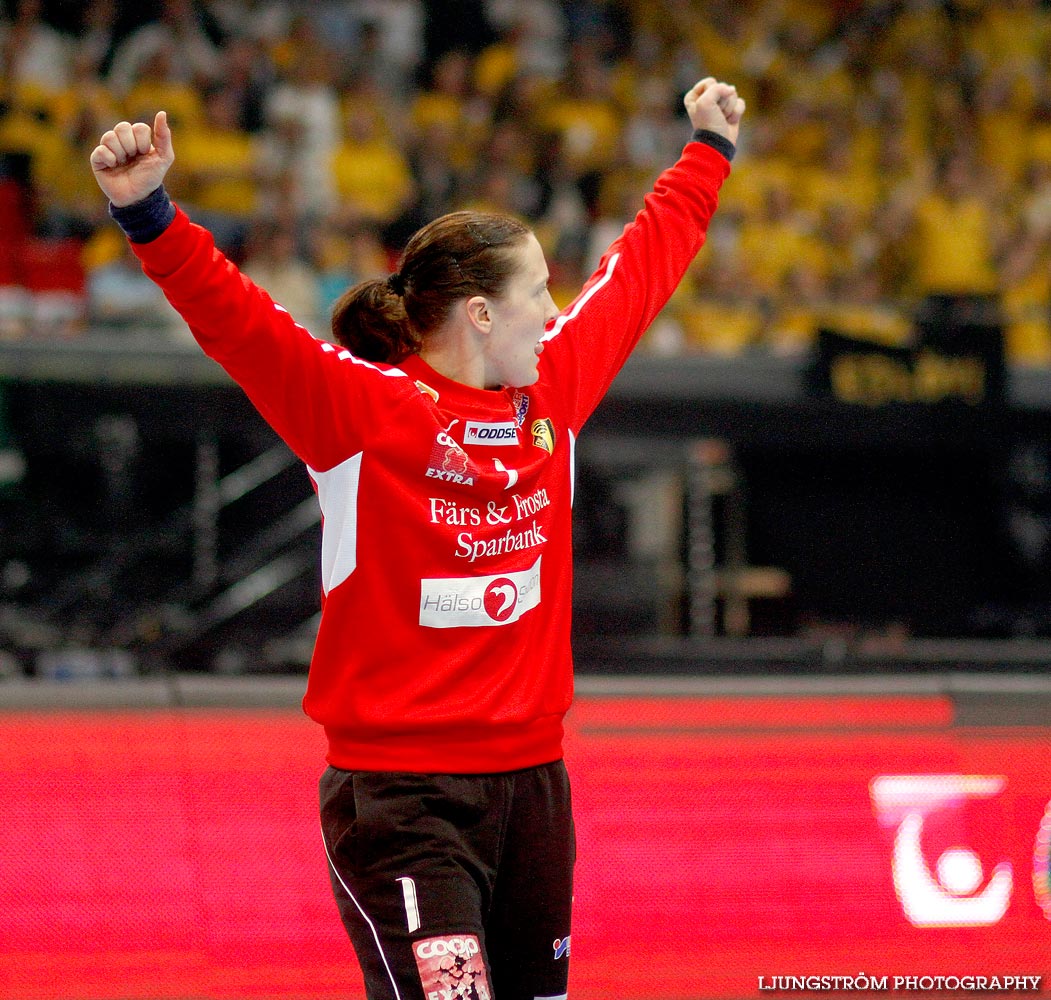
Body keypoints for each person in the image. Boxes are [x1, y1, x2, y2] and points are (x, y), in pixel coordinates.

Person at [89, 76, 744, 1000]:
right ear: (479, 313)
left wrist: (707, 149)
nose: (557, 313)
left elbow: (638, 274)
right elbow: (237, 320)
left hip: (533, 792)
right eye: (537, 293)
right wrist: (147, 210)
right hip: (401, 803)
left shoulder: (548, 394)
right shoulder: (359, 411)